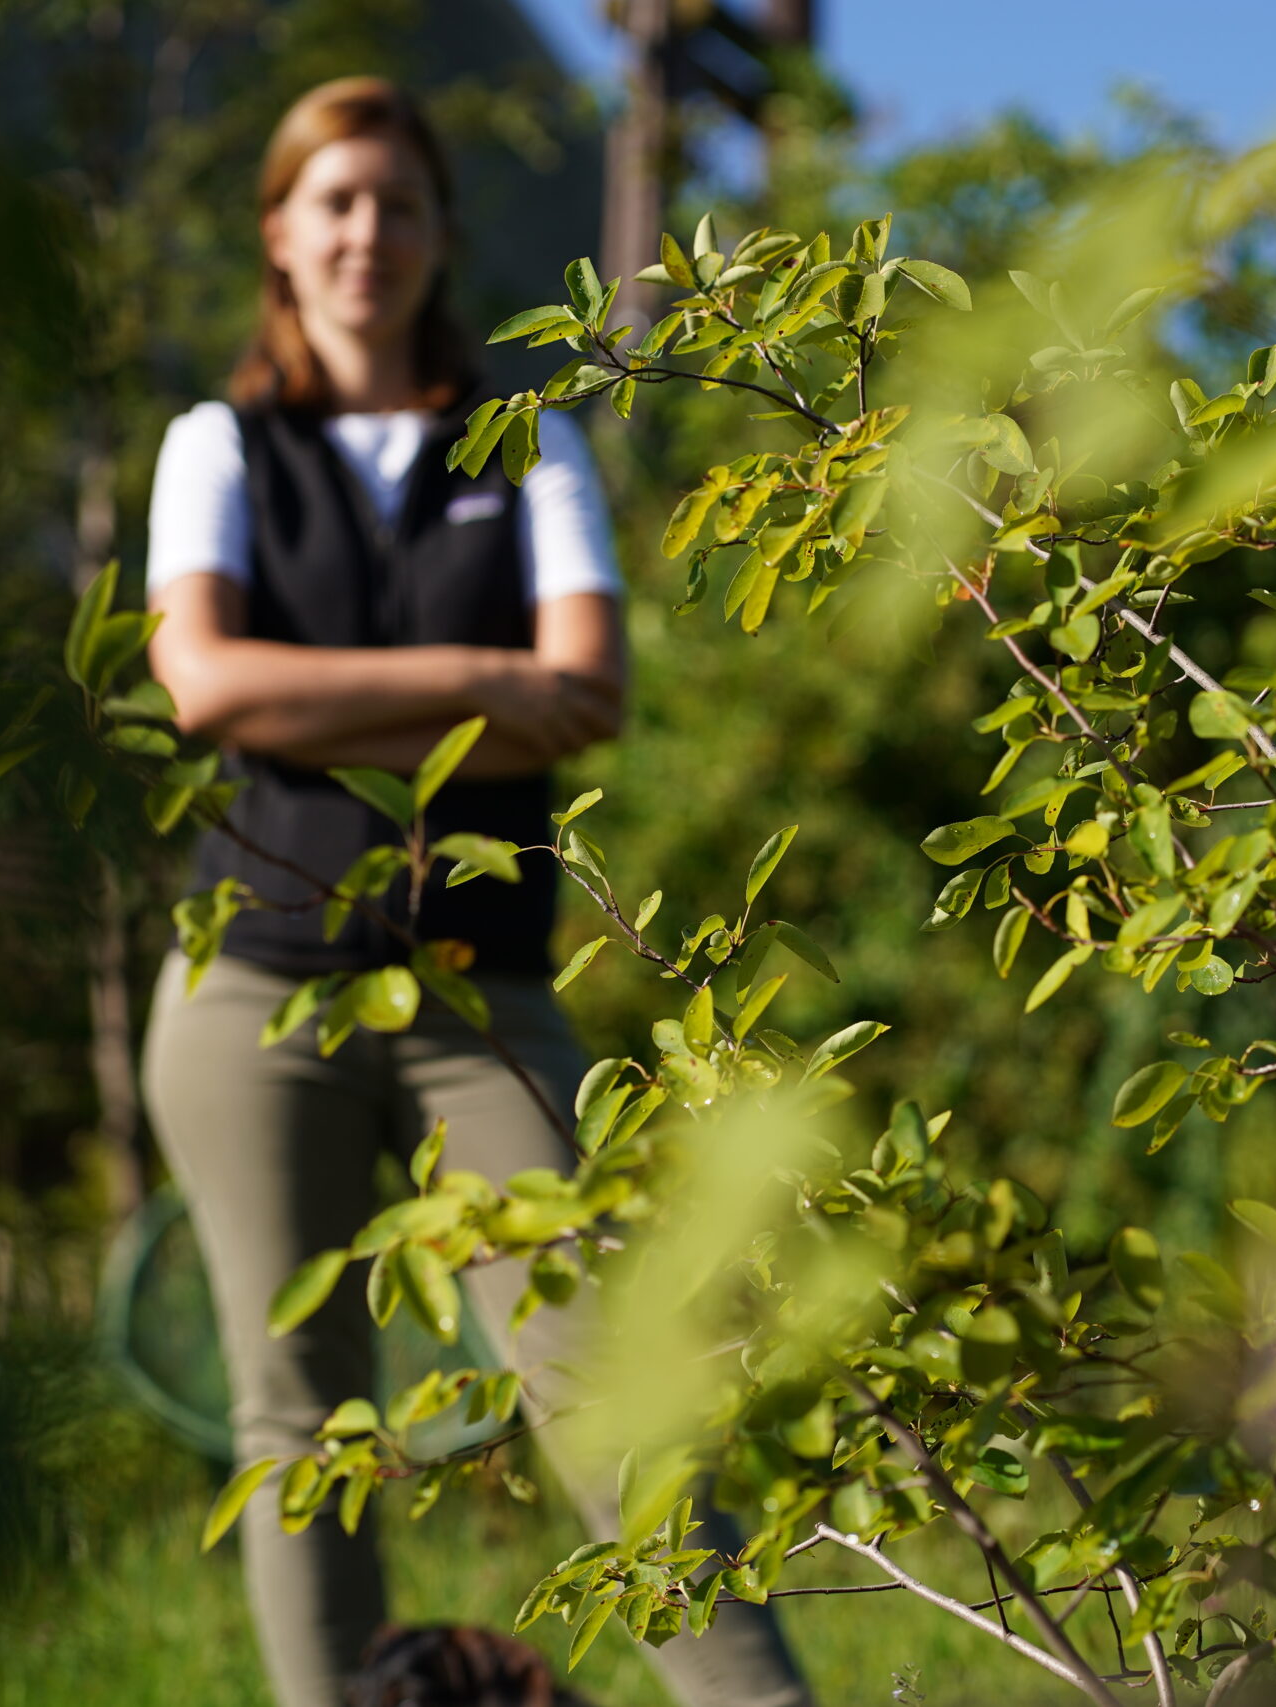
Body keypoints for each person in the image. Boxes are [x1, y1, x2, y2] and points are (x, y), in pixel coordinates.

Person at [138, 76, 812, 1707]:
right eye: (336, 201)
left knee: (609, 1388)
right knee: (299, 1417)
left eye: (400, 203)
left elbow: (590, 693)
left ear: (440, 238)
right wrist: (474, 681)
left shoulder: (532, 443)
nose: (368, 231)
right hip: (254, 988)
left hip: (482, 996)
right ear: (282, 237)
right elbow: (207, 690)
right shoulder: (216, 445)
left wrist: (347, 696)